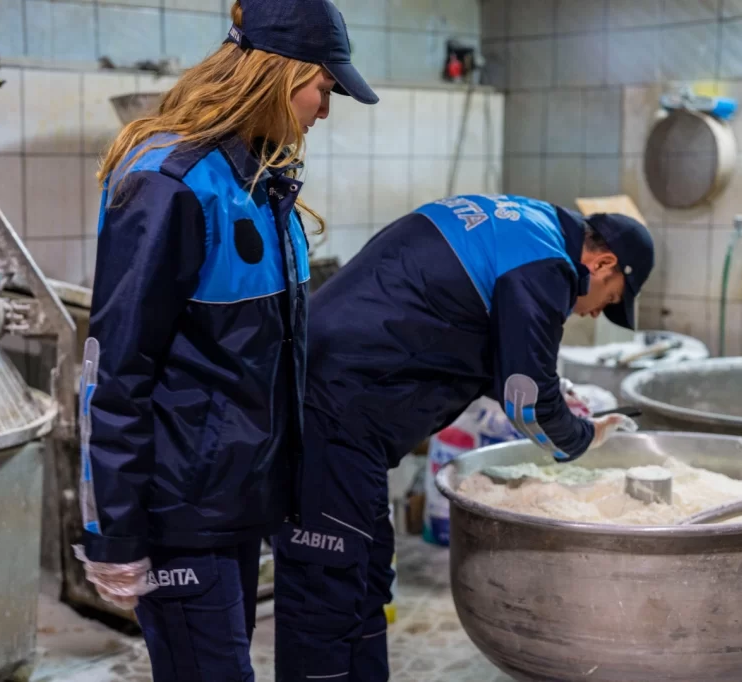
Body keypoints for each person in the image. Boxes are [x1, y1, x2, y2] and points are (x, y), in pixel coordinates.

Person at [74, 1, 377, 680]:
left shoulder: (259, 181)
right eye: (324, 88)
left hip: (233, 501)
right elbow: (114, 370)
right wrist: (112, 530)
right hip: (178, 511)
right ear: (279, 74)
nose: (325, 110)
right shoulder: (171, 184)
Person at [273, 194, 655, 681]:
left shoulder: (523, 223)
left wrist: (558, 391)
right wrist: (585, 436)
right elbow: (528, 402)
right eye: (611, 299)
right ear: (602, 263)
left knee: (366, 578)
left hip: (336, 408)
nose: (597, 312)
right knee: (325, 594)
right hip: (330, 413)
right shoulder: (546, 265)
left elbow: (467, 330)